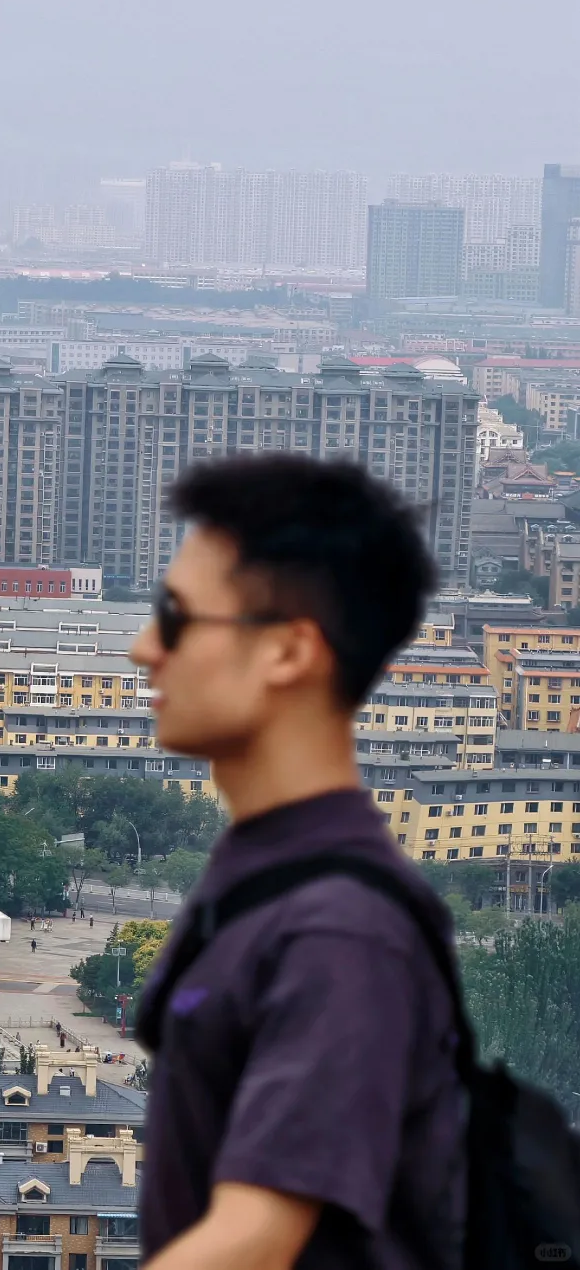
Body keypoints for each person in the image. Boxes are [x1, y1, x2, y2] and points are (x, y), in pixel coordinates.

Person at [129, 455, 463, 1270]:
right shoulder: (264, 877)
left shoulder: (341, 930)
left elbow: (253, 1241)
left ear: (287, 651)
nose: (143, 650)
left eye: (175, 619)